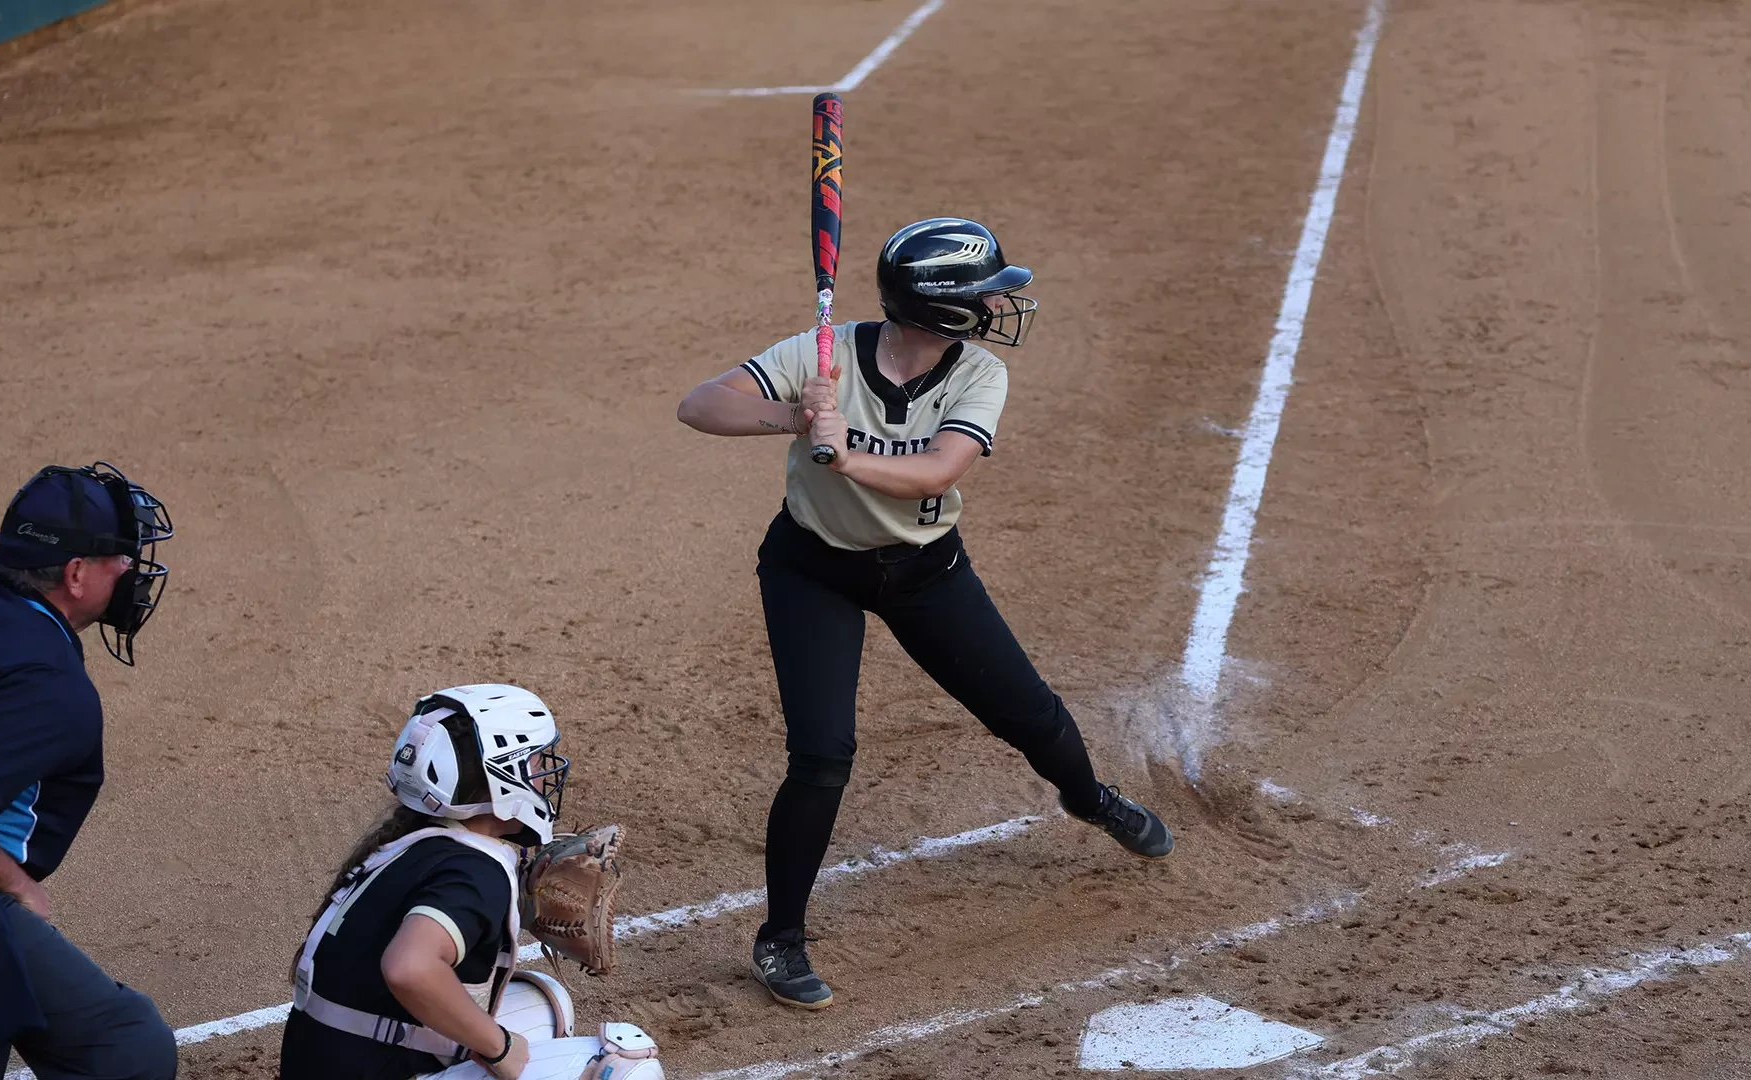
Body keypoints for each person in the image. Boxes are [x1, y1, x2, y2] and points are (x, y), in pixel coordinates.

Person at [675, 217, 1176, 1010]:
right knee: (822, 755)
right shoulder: (823, 353)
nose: (995, 307)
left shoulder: (977, 375)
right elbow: (700, 406)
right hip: (813, 571)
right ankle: (780, 940)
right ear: (938, 305)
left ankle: (1088, 799)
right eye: (982, 294)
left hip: (925, 571)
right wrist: (796, 418)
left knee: (1030, 715)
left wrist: (846, 454)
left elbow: (938, 470)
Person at [0, 462, 177, 1079]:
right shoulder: (47, 684)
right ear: (74, 574)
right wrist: (15, 885)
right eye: (119, 557)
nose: (130, 570)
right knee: (128, 1050)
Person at [279, 684, 663, 1080]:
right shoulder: (476, 873)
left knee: (545, 1004)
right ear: (503, 777)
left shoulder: (410, 843)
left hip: (320, 1060)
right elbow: (408, 967)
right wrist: (500, 1048)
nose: (543, 772)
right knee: (629, 1067)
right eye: (532, 762)